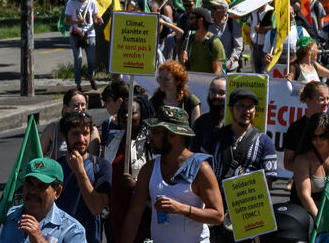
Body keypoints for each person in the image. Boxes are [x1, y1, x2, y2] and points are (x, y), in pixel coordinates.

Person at [122, 105, 225, 243]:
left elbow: (218, 216)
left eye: (155, 132)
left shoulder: (201, 169)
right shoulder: (148, 170)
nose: (149, 136)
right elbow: (133, 217)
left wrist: (181, 208)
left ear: (173, 135)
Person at [0, 157, 87, 243]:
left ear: (57, 192)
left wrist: (40, 240)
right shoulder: (5, 218)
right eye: (29, 184)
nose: (33, 191)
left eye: (41, 186)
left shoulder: (72, 230)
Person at [203, 88, 278, 188]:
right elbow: (202, 171)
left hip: (249, 201)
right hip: (217, 200)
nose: (246, 111)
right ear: (230, 108)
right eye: (241, 106)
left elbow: (268, 181)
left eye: (250, 106)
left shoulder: (265, 142)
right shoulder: (214, 137)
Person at [55, 112, 112, 243]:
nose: (81, 139)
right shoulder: (55, 167)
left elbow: (96, 207)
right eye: (75, 134)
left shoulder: (102, 166)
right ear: (64, 136)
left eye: (85, 133)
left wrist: (79, 171)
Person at [108, 94, 156, 243]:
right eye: (123, 112)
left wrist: (136, 185)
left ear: (143, 115)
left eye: (133, 112)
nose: (127, 116)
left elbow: (159, 178)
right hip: (116, 209)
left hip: (140, 212)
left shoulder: (151, 142)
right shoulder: (113, 138)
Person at [282, 81, 329, 173]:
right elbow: (287, 163)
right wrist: (310, 170)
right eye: (321, 99)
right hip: (302, 183)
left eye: (328, 98)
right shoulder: (296, 128)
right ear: (308, 101)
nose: (326, 103)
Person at [41, 89, 100, 159]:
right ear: (65, 108)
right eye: (76, 105)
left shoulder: (92, 130)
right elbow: (38, 156)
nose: (80, 108)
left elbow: (93, 159)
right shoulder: (52, 128)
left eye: (83, 105)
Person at [65, 0, 102, 90]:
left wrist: (98, 19)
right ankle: (78, 84)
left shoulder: (92, 2)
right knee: (78, 59)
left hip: (89, 34)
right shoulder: (71, 4)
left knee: (92, 60)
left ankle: (90, 76)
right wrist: (77, 21)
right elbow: (67, 21)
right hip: (76, 34)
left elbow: (95, 17)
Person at [182, 8, 226, 74]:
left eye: (191, 18)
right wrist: (183, 62)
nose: (188, 21)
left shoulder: (214, 43)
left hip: (208, 83)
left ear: (200, 20)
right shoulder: (188, 41)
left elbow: (217, 71)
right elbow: (183, 70)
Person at [191, 76, 228, 154]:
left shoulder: (234, 122)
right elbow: (194, 154)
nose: (216, 96)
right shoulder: (200, 123)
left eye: (221, 93)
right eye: (213, 92)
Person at [208, 0, 244, 72]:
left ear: (223, 11)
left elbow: (238, 46)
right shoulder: (209, 24)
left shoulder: (232, 24)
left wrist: (230, 61)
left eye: (214, 8)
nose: (211, 10)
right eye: (211, 7)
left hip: (229, 68)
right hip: (213, 67)